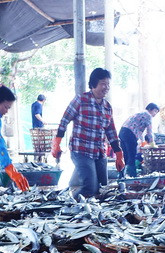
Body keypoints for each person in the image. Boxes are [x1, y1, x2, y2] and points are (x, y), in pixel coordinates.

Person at [52, 68, 125, 198]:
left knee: (102, 188)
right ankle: (65, 204)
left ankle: (93, 215)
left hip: (99, 153)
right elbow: (64, 121)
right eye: (103, 83)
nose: (106, 87)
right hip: (81, 151)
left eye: (108, 84)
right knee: (90, 187)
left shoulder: (107, 107)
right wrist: (57, 143)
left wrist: (119, 154)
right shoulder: (81, 100)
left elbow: (111, 132)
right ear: (93, 84)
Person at [118, 103, 160, 177]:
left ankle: (122, 176)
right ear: (150, 109)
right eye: (155, 111)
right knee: (132, 155)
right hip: (130, 133)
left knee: (126, 155)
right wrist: (152, 143)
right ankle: (132, 176)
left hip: (122, 132)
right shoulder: (148, 115)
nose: (155, 114)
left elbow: (140, 131)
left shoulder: (139, 113)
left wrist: (142, 141)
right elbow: (149, 131)